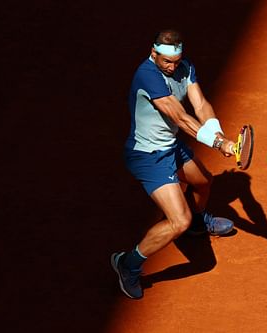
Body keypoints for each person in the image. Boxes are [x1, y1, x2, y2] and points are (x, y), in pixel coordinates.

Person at [111, 29, 237, 299]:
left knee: (204, 181)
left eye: (176, 61)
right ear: (154, 53)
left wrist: (218, 134)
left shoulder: (184, 67)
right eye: (167, 62)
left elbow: (201, 104)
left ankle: (197, 224)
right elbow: (180, 117)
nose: (172, 67)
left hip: (171, 146)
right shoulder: (147, 75)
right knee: (178, 220)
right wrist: (217, 144)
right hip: (148, 156)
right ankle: (127, 264)